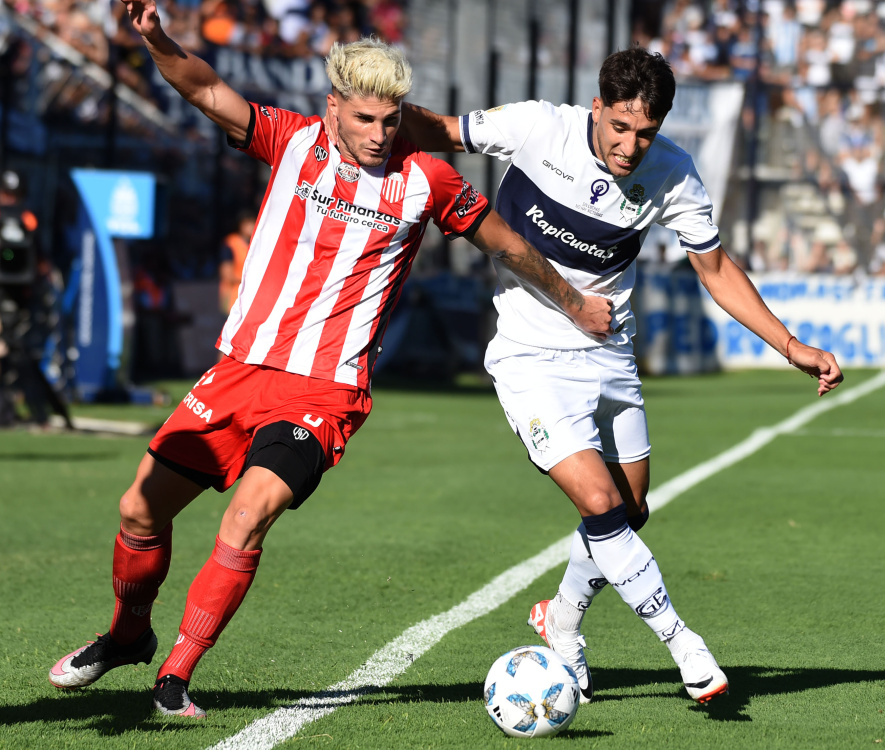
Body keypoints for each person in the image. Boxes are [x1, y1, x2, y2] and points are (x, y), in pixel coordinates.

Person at [47, 1, 613, 719]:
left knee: (247, 517)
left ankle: (176, 673)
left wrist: (571, 299)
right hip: (239, 370)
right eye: (366, 119)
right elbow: (201, 88)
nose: (381, 135)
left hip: (325, 390)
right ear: (333, 107)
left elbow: (503, 242)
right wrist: (159, 38)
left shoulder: (427, 180)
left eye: (392, 120)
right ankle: (128, 634)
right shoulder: (290, 140)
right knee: (138, 509)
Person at [400, 46, 843, 705]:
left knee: (630, 511)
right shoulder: (536, 126)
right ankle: (684, 646)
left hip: (610, 355)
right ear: (597, 106)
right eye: (620, 127)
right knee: (601, 505)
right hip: (530, 355)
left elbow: (715, 269)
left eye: (647, 133)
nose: (632, 147)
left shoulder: (673, 175)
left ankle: (562, 620)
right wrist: (366, 110)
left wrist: (789, 343)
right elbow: (438, 131)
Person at [218, 209, 255, 315]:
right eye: (248, 223)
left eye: (253, 222)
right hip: (232, 298)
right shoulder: (230, 244)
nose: (251, 226)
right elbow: (227, 275)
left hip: (250, 299)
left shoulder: (256, 243)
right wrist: (253, 280)